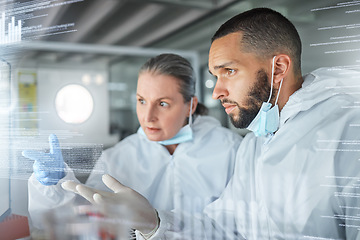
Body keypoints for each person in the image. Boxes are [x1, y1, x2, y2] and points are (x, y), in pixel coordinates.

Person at [62, 7, 360, 239]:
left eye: (228, 71)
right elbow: (223, 228)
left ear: (278, 67)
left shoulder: (348, 133)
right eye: (215, 76)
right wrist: (153, 222)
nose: (216, 91)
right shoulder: (255, 146)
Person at [24, 53, 242, 231]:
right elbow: (82, 219)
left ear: (190, 106)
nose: (148, 117)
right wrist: (53, 186)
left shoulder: (230, 149)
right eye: (141, 101)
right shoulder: (117, 157)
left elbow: (240, 225)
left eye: (163, 103)